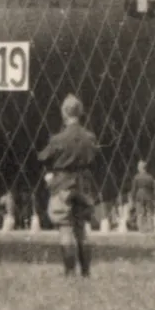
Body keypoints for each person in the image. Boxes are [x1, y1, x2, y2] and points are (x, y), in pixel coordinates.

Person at [38, 93, 98, 278]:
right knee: (81, 228)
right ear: (80, 112)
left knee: (65, 226)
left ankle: (70, 271)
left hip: (62, 184)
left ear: (64, 113)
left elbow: (43, 158)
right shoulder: (90, 137)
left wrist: (49, 178)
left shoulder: (57, 139)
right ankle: (86, 271)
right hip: (83, 185)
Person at [130, 161, 155, 233]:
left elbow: (134, 189)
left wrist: (132, 197)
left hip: (139, 195)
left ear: (140, 168)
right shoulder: (150, 177)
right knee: (149, 212)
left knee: (140, 213)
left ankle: (141, 229)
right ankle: (150, 228)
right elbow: (153, 188)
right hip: (148, 195)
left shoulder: (136, 177)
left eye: (138, 167)